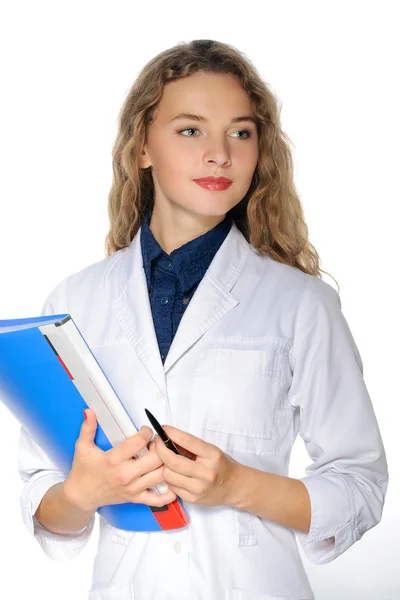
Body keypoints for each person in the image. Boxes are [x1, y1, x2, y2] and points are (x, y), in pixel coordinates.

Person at [18, 39, 389, 600]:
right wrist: (80, 494)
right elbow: (46, 503)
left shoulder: (302, 304)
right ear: (141, 146)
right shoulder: (73, 302)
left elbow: (360, 485)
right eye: (190, 130)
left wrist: (240, 485)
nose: (220, 154)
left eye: (240, 132)